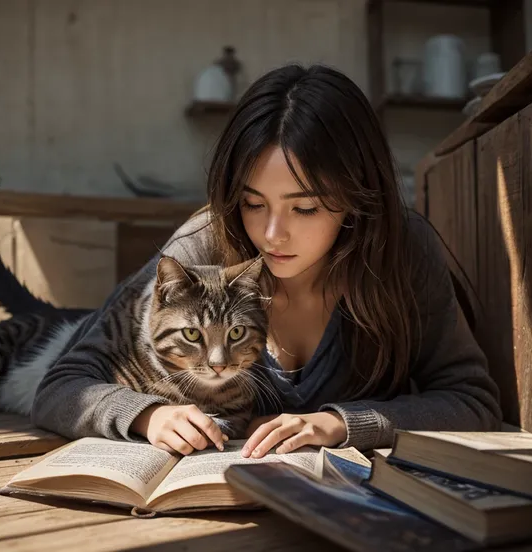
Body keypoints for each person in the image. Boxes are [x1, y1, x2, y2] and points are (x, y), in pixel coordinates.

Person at [31, 64, 502, 458]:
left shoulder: (402, 248)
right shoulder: (201, 246)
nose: (272, 235)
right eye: (253, 204)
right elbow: (62, 387)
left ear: (358, 198)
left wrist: (340, 423)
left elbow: (472, 399)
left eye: (305, 208)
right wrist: (149, 414)